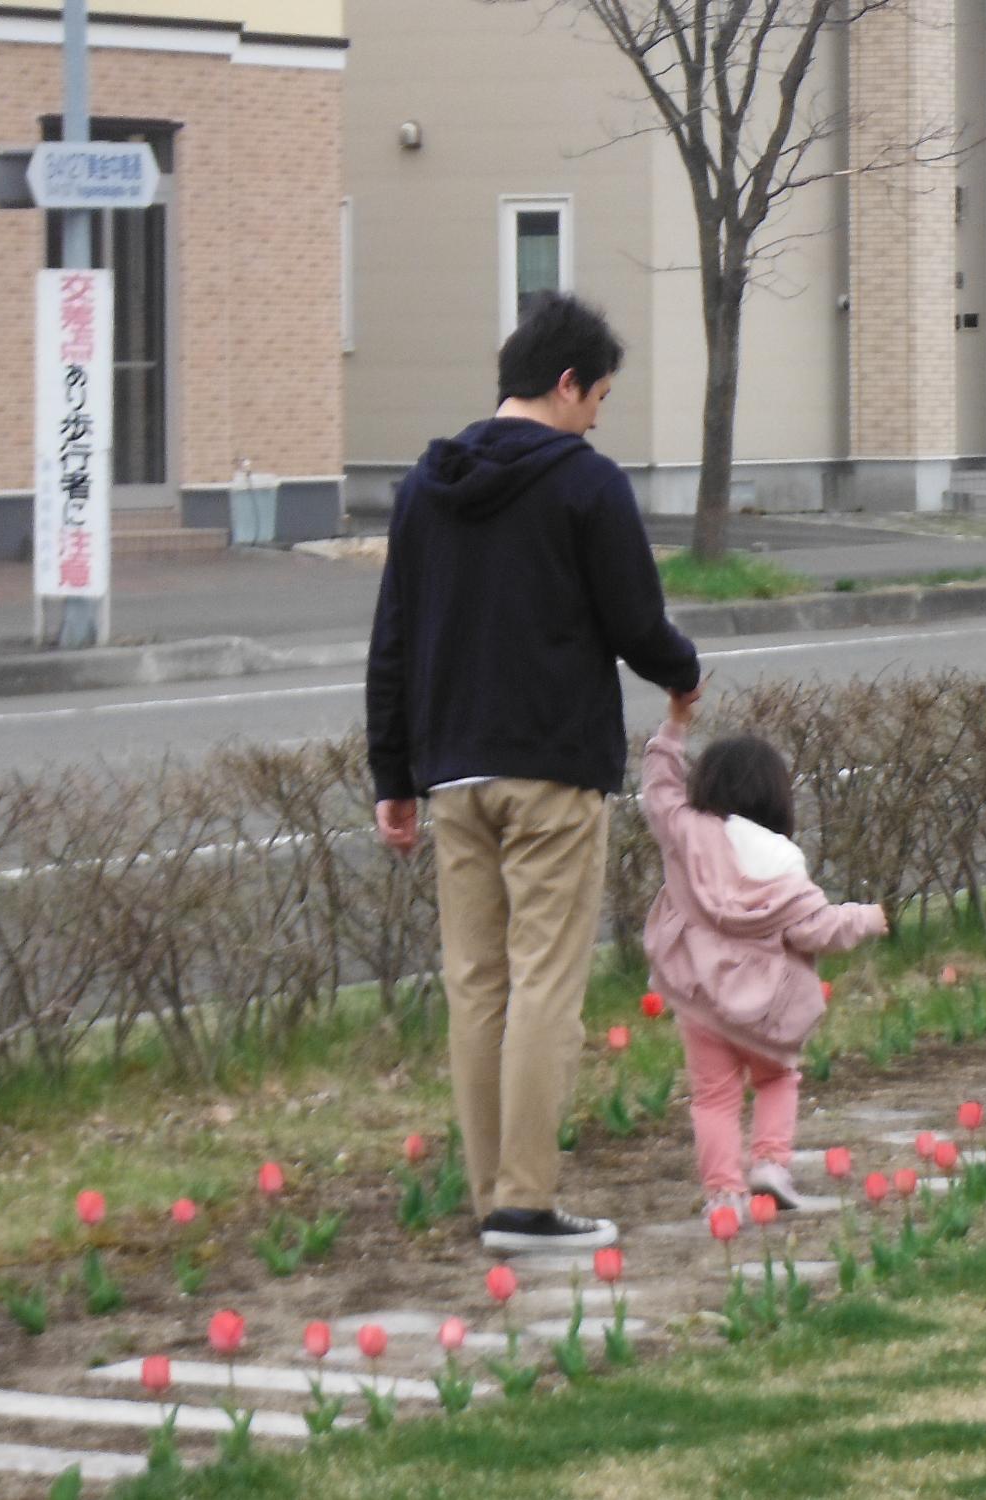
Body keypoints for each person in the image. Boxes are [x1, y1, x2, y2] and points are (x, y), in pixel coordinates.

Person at [367, 294, 700, 1254]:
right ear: (566, 385)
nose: (599, 414)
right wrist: (683, 676)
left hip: (452, 773)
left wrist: (393, 771)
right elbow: (636, 622)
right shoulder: (585, 486)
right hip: (552, 768)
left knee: (475, 985)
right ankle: (525, 1200)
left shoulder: (424, 488)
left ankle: (490, 1200)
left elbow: (393, 640)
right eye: (599, 396)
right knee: (544, 982)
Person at [640, 692, 889, 1216]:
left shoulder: (688, 835)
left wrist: (674, 729)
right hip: (765, 1013)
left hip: (700, 1001)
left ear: (705, 785)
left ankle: (723, 1193)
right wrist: (865, 918)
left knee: (713, 1098)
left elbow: (659, 792)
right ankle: (771, 1165)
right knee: (777, 1079)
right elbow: (815, 929)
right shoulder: (782, 862)